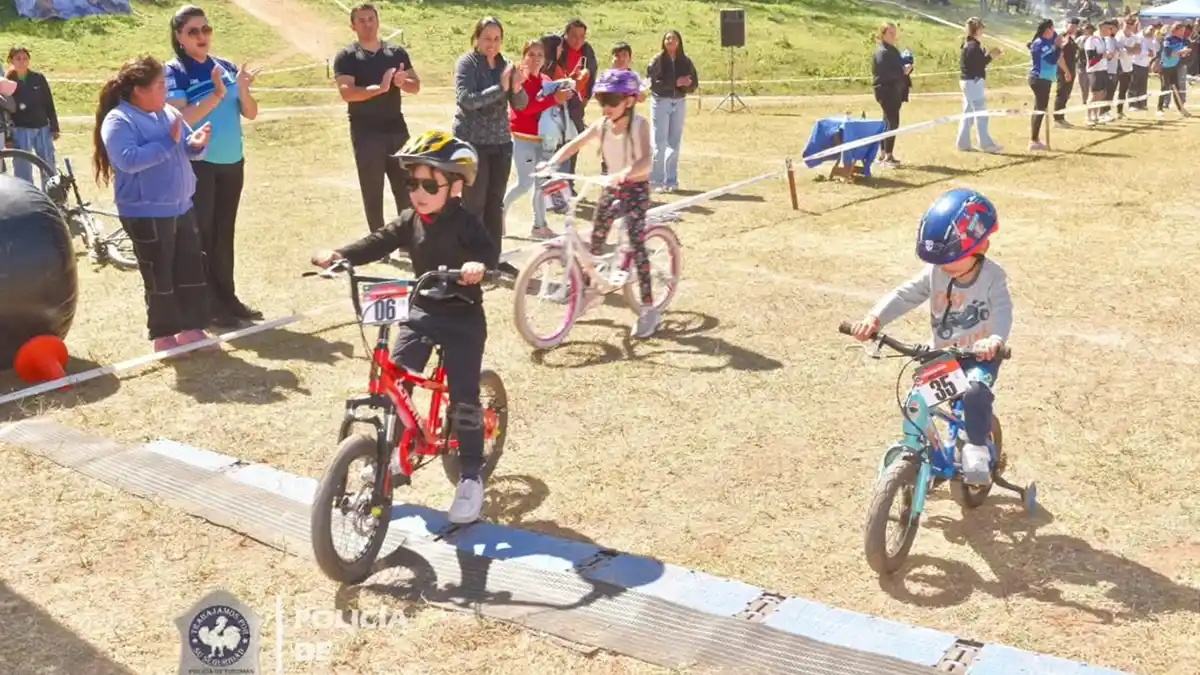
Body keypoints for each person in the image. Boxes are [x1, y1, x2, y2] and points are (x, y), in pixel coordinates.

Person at [309, 130, 495, 524]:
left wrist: (478, 268)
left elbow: (486, 253)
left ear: (455, 186)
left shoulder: (466, 223)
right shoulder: (410, 220)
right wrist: (341, 255)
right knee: (395, 377)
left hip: (462, 317)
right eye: (412, 183)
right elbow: (380, 240)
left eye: (430, 184)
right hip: (422, 311)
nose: (419, 192)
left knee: (463, 397)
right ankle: (394, 452)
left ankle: (471, 476)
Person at [849, 189, 1011, 487]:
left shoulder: (993, 277)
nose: (945, 266)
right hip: (944, 355)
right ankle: (923, 456)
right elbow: (905, 294)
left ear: (982, 245)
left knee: (975, 391)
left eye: (954, 258)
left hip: (980, 357)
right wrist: (874, 318)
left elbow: (1003, 310)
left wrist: (996, 339)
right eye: (940, 260)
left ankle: (976, 447)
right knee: (917, 400)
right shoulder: (937, 271)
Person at [94, 56, 215, 354]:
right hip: (145, 211)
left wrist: (196, 143)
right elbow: (127, 160)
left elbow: (184, 148)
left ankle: (191, 329)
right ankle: (164, 337)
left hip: (181, 206)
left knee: (189, 267)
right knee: (159, 273)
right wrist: (167, 142)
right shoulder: (119, 120)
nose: (166, 90)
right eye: (161, 84)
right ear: (139, 90)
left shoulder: (169, 111)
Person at [537, 69, 659, 339]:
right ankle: (591, 292)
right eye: (602, 101)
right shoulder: (602, 126)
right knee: (596, 237)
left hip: (635, 188)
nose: (606, 107)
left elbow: (646, 161)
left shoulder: (639, 125)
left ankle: (649, 308)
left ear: (628, 101)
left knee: (637, 241)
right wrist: (553, 161)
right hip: (611, 186)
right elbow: (575, 144)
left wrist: (627, 172)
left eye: (611, 101)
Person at [166, 5, 263, 330]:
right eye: (193, 31)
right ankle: (206, 306)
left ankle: (228, 299)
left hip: (232, 161)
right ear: (179, 37)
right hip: (199, 164)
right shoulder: (175, 70)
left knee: (225, 233)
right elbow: (178, 119)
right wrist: (217, 96)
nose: (202, 36)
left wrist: (244, 90)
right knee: (202, 234)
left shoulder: (225, 66)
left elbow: (250, 113)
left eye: (205, 29)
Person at [333, 3, 421, 235]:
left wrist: (403, 82)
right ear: (353, 26)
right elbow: (347, 92)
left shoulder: (397, 53)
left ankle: (407, 237)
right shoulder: (347, 56)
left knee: (406, 185)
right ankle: (378, 241)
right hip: (366, 132)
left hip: (397, 128)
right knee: (372, 189)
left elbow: (416, 86)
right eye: (361, 20)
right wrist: (379, 89)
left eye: (371, 18)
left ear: (378, 21)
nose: (367, 24)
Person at [454, 17, 528, 260]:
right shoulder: (467, 64)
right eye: (487, 38)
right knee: (474, 203)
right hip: (472, 142)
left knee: (495, 204)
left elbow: (521, 104)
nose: (492, 44)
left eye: (497, 39)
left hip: (501, 143)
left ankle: (493, 258)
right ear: (476, 38)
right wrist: (501, 87)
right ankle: (470, 259)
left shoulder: (506, 65)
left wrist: (516, 89)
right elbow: (467, 99)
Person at [502, 39, 571, 240]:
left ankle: (539, 226)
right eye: (531, 54)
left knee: (541, 184)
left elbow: (550, 106)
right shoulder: (518, 79)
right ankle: (500, 213)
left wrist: (565, 92)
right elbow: (523, 109)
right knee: (524, 183)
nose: (535, 59)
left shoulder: (545, 80)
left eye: (539, 55)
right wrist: (552, 99)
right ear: (524, 56)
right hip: (523, 138)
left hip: (543, 139)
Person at [541, 19, 598, 185]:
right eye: (573, 36)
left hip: (576, 104)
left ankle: (568, 183)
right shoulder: (555, 48)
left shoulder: (587, 50)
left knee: (574, 143)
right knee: (555, 143)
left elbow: (592, 73)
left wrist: (585, 97)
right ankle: (551, 182)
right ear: (565, 35)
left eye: (582, 36)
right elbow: (552, 77)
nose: (578, 40)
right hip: (555, 105)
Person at [646, 30, 698, 192]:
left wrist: (687, 84)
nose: (670, 40)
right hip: (661, 102)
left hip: (679, 102)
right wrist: (675, 82)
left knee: (674, 143)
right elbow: (654, 83)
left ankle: (671, 180)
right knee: (659, 143)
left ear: (679, 42)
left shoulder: (686, 61)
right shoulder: (657, 60)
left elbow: (694, 83)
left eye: (673, 38)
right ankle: (656, 180)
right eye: (667, 38)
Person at [5, 46, 59, 187]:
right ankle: (27, 200)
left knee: (48, 163)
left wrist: (54, 126)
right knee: (22, 166)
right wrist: (8, 137)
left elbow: (49, 102)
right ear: (11, 60)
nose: (22, 62)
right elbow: (5, 111)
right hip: (21, 129)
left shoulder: (38, 78)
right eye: (18, 59)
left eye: (25, 58)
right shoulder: (7, 82)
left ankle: (53, 197)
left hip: (42, 127)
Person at [957, 17, 1003, 153]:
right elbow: (978, 65)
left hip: (968, 81)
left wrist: (988, 56)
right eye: (982, 28)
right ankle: (985, 144)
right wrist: (991, 56)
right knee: (981, 114)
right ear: (977, 29)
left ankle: (963, 143)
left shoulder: (970, 45)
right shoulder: (972, 46)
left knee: (968, 113)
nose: (983, 31)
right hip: (973, 82)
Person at [872, 23, 912, 168]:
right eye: (890, 33)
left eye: (894, 33)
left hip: (894, 90)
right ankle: (887, 156)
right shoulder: (882, 52)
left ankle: (883, 154)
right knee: (892, 122)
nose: (893, 36)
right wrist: (903, 71)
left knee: (887, 122)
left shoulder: (892, 50)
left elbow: (899, 65)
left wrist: (907, 64)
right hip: (887, 91)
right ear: (882, 34)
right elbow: (887, 74)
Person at [1028, 19, 1069, 150]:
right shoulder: (1039, 43)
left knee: (1040, 108)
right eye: (1052, 28)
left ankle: (1035, 139)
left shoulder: (1052, 38)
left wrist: (1066, 70)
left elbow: (1059, 50)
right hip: (1039, 79)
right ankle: (1033, 140)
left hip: (1046, 79)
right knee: (1040, 108)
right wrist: (1058, 47)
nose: (1054, 31)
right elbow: (1051, 60)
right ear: (1047, 30)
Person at [1083, 21, 1115, 125]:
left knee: (1102, 93)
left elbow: (1104, 56)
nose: (1110, 31)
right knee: (1095, 94)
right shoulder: (1092, 39)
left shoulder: (1103, 40)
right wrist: (1103, 56)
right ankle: (1088, 117)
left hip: (1103, 69)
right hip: (1094, 70)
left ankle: (1096, 115)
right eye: (1108, 28)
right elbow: (1091, 58)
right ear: (1102, 28)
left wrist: (1109, 56)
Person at [1157, 21, 1192, 116]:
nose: (1183, 33)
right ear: (1175, 30)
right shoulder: (1168, 39)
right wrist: (1181, 52)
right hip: (1164, 67)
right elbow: (1168, 54)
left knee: (1176, 88)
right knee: (1164, 87)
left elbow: (1181, 54)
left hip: (1173, 67)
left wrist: (1185, 53)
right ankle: (1159, 109)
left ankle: (1181, 109)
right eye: (1181, 31)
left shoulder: (1182, 40)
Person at [1053, 17, 1080, 128]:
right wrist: (1066, 71)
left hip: (1071, 69)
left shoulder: (1073, 39)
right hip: (1063, 69)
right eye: (1071, 25)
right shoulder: (1062, 37)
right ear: (1066, 25)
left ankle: (1062, 117)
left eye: (1075, 26)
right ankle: (1057, 119)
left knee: (1066, 94)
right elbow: (1059, 54)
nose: (1073, 27)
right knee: (1062, 93)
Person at [1113, 16, 1141, 117]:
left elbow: (1137, 51)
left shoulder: (1135, 37)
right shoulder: (1118, 36)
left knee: (1123, 91)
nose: (1129, 26)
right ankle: (1105, 111)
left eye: (1131, 25)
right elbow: (1121, 50)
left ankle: (1119, 111)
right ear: (1123, 24)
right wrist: (1130, 49)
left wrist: (1127, 49)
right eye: (1127, 24)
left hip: (1128, 67)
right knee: (1111, 90)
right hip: (1116, 66)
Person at [1130, 24, 1158, 112]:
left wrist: (1152, 54)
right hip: (1135, 63)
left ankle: (1142, 104)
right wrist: (1147, 53)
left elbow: (1155, 51)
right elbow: (1136, 51)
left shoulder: (1153, 39)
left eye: (1153, 31)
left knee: (1143, 86)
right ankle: (1132, 104)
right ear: (1145, 29)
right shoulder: (1137, 37)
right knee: (1134, 85)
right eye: (1150, 30)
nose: (1152, 32)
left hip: (1145, 64)